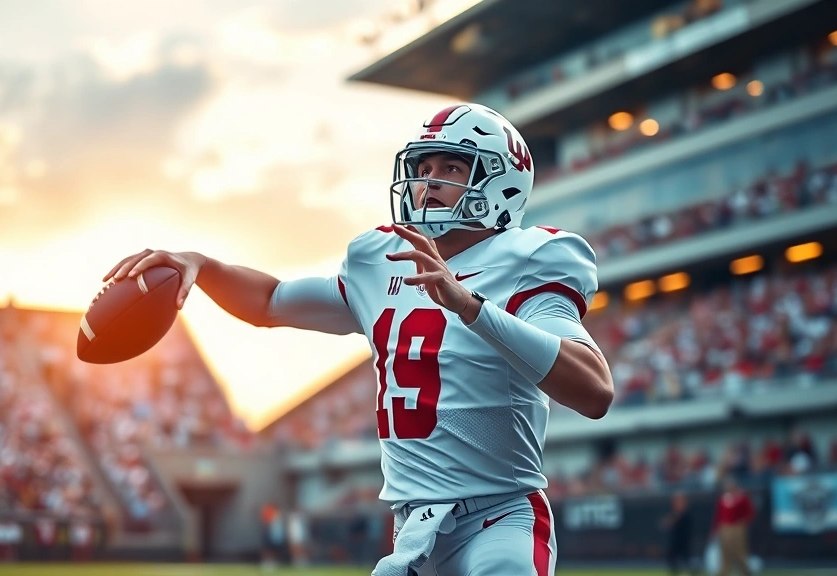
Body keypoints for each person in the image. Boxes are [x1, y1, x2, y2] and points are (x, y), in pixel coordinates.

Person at [105, 103, 614, 576]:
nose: (428, 182)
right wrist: (204, 265)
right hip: (413, 530)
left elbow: (593, 390)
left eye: (452, 168)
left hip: (500, 520)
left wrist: (470, 308)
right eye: (423, 168)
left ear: (502, 183)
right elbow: (270, 302)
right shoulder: (381, 258)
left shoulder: (529, 259)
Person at [710, 476, 755, 576]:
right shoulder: (723, 499)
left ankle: (745, 571)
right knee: (725, 552)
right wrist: (715, 530)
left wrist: (742, 522)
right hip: (725, 528)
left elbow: (750, 512)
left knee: (739, 551)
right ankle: (724, 572)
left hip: (737, 528)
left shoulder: (742, 497)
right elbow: (718, 516)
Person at [661, 491, 693, 575]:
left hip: (684, 539)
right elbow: (666, 523)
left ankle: (689, 572)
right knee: (672, 558)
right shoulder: (673, 512)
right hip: (675, 539)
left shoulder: (685, 514)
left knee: (686, 559)